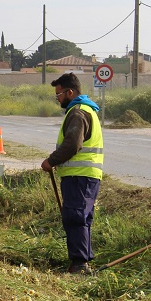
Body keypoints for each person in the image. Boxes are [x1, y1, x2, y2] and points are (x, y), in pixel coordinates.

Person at [41, 72, 103, 275]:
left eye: (58, 94)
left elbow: (72, 144)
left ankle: (80, 265)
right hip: (83, 175)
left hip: (80, 175)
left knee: (75, 216)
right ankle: (81, 261)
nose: (57, 98)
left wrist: (51, 161)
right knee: (81, 218)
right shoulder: (84, 110)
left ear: (70, 92)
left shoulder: (78, 112)